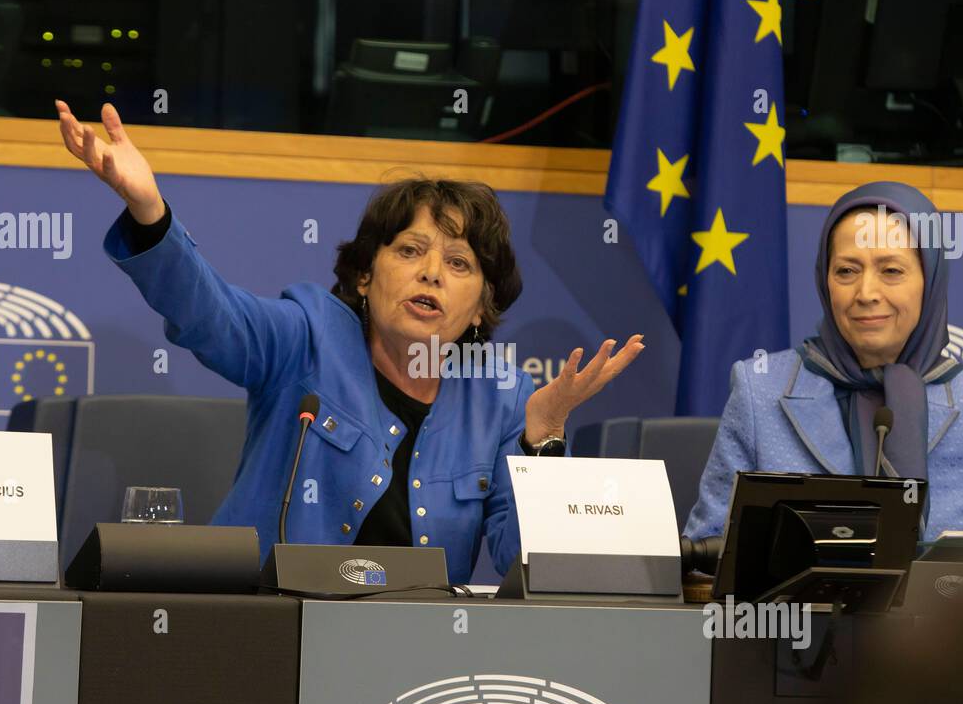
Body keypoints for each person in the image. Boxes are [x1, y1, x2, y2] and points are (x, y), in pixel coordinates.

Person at [55, 101, 645, 583]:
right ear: (365, 276)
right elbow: (211, 315)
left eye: (459, 263)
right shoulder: (306, 336)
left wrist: (540, 440)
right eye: (410, 251)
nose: (432, 273)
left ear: (480, 309)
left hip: (418, 661)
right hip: (264, 635)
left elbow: (532, 572)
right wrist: (149, 209)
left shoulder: (501, 395)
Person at [686, 180, 963, 542]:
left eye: (891, 270)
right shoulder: (761, 390)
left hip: (938, 618)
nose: (866, 292)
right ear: (824, 280)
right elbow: (706, 553)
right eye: (846, 271)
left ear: (931, 281)